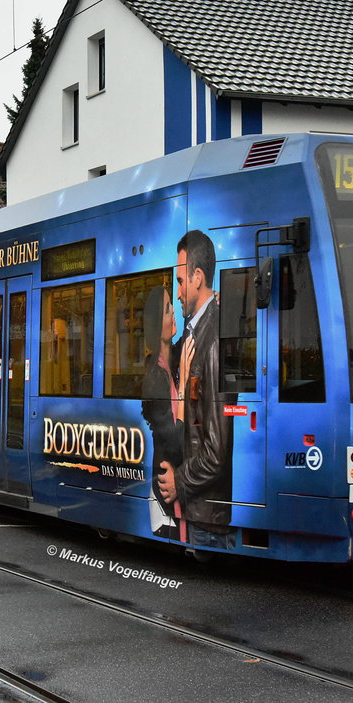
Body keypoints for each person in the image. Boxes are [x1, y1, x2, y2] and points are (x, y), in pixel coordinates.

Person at [157, 230, 235, 550]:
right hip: (198, 513)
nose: (177, 293)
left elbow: (216, 452)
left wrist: (180, 483)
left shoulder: (214, 341)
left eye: (179, 281)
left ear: (198, 277)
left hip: (207, 514)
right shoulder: (196, 332)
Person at [141, 286, 187, 541]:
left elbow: (188, 339)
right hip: (165, 498)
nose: (174, 315)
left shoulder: (168, 362)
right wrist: (185, 389)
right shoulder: (155, 377)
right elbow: (172, 437)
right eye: (169, 310)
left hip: (174, 489)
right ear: (158, 324)